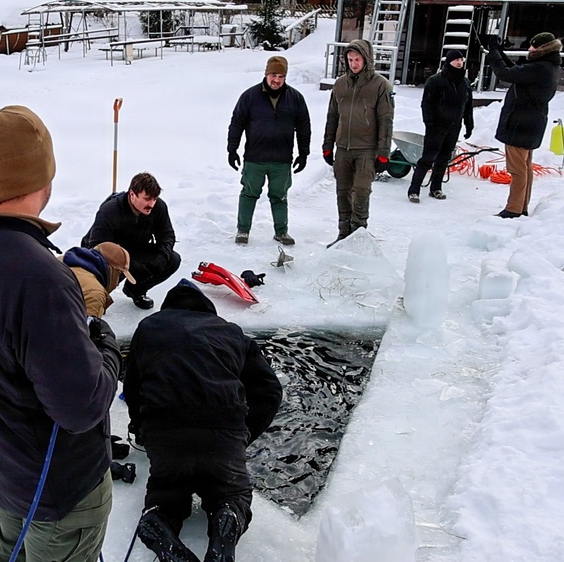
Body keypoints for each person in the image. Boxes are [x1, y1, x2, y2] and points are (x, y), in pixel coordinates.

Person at [0, 105, 122, 562]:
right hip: (59, 493)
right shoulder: (40, 277)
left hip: (4, 472)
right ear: (44, 174)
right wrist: (105, 345)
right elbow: (81, 407)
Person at [125, 280, 282, 562]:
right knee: (230, 492)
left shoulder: (149, 328)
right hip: (223, 431)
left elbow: (133, 388)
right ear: (207, 309)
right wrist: (244, 433)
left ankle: (158, 519)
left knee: (166, 493)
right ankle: (228, 515)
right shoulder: (231, 332)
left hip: (165, 430)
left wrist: (141, 429)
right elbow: (269, 391)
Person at [227, 55, 312, 246]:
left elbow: (304, 127)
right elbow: (237, 123)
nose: (277, 80)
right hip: (255, 158)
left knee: (279, 196)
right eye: (273, 75)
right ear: (266, 74)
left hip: (282, 160)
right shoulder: (250, 96)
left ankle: (281, 232)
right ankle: (243, 230)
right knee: (249, 193)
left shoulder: (295, 98)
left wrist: (303, 153)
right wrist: (232, 149)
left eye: (281, 76)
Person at [322, 39, 394, 246]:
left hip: (367, 150)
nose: (353, 64)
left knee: (361, 192)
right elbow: (332, 117)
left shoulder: (380, 85)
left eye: (357, 60)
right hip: (343, 149)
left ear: (367, 59)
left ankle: (358, 237)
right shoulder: (340, 84)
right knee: (343, 192)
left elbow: (386, 121)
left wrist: (383, 153)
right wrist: (328, 145)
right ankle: (343, 234)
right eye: (350, 60)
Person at [486, 32, 563, 218]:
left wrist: (493, 53)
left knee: (517, 169)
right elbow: (516, 72)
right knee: (525, 167)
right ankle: (521, 206)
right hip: (531, 123)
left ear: (542, 49)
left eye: (532, 46)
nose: (529, 49)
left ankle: (514, 209)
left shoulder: (539, 68)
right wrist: (499, 52)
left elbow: (505, 73)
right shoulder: (547, 66)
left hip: (520, 124)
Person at [81, 172, 180, 310]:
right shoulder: (110, 211)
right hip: (108, 256)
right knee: (99, 276)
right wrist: (130, 265)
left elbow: (167, 235)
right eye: (147, 199)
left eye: (155, 199)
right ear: (132, 194)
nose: (151, 204)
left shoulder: (158, 207)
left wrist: (162, 258)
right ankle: (94, 301)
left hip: (135, 248)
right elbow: (98, 247)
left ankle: (136, 290)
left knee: (172, 259)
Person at [407, 50, 475, 203]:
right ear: (448, 62)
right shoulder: (435, 81)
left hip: (454, 126)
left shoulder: (465, 83)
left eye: (461, 60)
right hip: (437, 127)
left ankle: (436, 188)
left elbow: (468, 106)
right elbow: (427, 104)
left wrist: (469, 124)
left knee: (444, 158)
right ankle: (414, 189)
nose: (459, 62)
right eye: (456, 60)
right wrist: (429, 123)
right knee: (428, 158)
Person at [62, 242, 137, 318]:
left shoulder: (60, 261)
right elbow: (81, 325)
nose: (117, 283)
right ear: (112, 270)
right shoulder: (94, 294)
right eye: (119, 275)